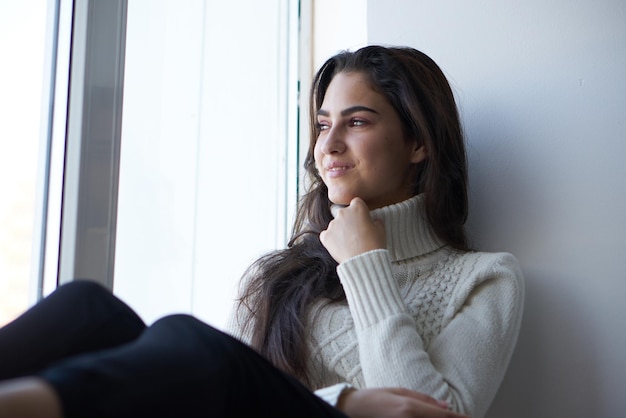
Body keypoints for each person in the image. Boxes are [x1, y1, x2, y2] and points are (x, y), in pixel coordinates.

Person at [0, 45, 523, 418]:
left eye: (357, 122)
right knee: (88, 308)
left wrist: (366, 266)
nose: (329, 144)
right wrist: (340, 401)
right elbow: (234, 396)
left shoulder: (484, 278)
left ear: (418, 143)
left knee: (195, 346)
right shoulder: (283, 275)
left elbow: (433, 413)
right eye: (323, 124)